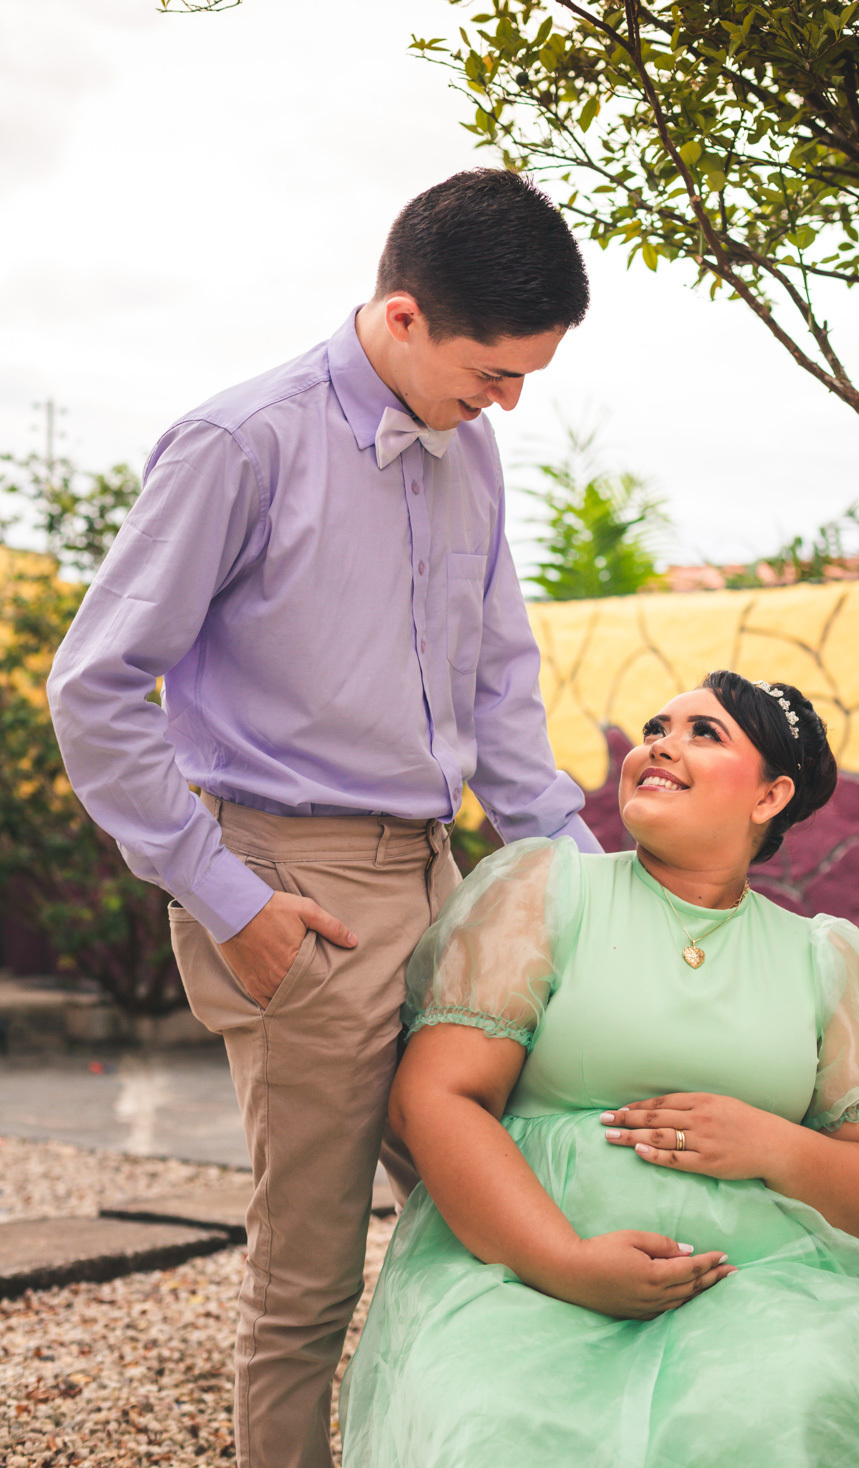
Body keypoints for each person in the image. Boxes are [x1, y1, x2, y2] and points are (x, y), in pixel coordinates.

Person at [46, 168, 601, 1468]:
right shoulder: (240, 443)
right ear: (403, 316)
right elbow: (95, 689)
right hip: (294, 892)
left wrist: (583, 891)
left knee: (502, 1222)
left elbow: (501, 692)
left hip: (442, 882)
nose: (509, 403)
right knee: (308, 1281)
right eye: (494, 371)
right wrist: (228, 901)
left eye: (528, 376)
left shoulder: (472, 446)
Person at [340, 671, 859, 1466]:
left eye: (703, 733)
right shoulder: (547, 894)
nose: (659, 745)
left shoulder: (822, 960)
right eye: (658, 728)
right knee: (500, 1429)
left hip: (757, 1290)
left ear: (770, 796)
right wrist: (566, 1263)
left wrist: (772, 1144)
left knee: (787, 1406)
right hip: (522, 1276)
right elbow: (434, 1097)